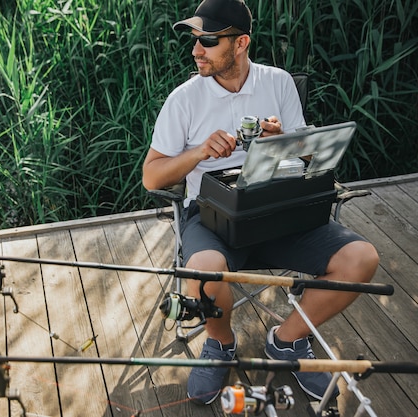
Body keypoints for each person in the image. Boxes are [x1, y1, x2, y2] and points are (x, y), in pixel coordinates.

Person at [142, 0, 380, 406]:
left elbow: (307, 160)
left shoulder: (278, 82)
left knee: (362, 258)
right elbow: (152, 177)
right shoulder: (183, 99)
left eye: (208, 41)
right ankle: (220, 345)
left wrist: (283, 143)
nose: (196, 50)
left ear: (241, 43)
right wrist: (198, 153)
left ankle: (287, 340)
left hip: (278, 210)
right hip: (213, 217)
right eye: (196, 40)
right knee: (203, 270)